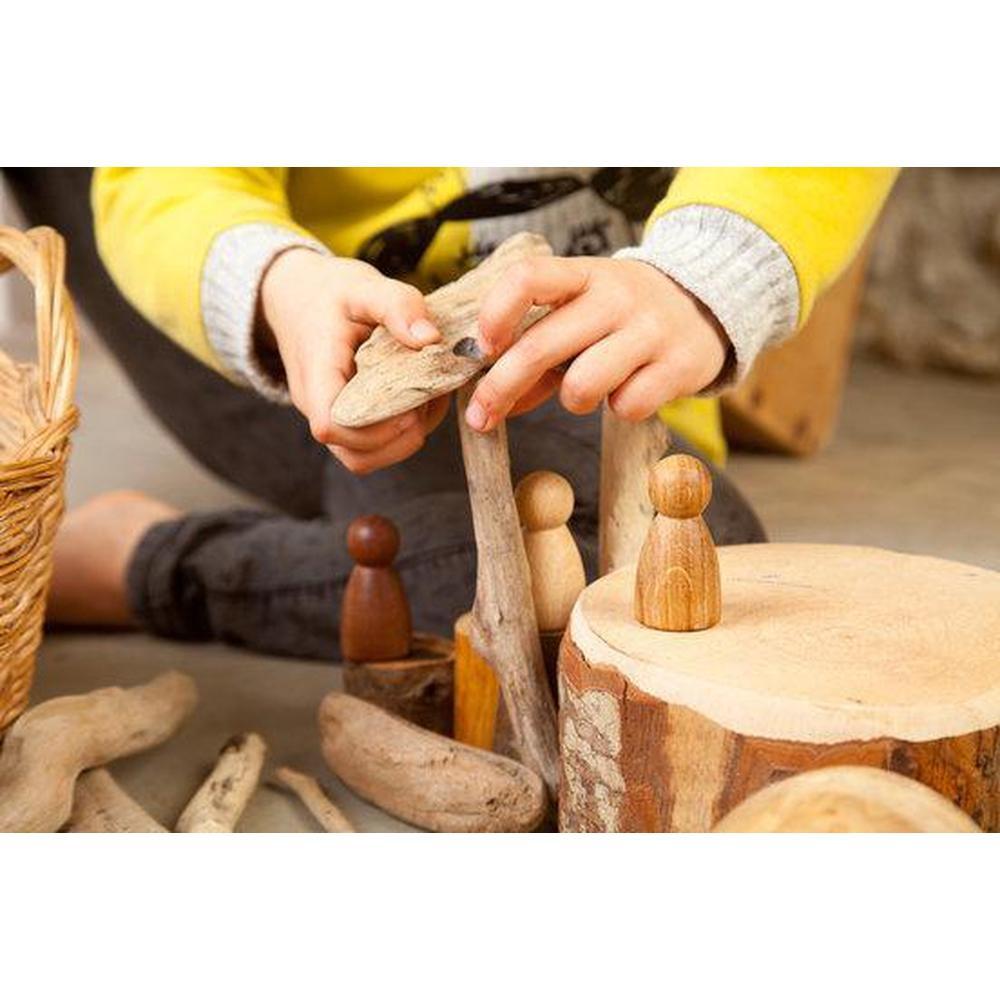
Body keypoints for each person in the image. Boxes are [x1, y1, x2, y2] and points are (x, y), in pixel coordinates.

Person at [6, 167, 897, 658]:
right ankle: (201, 559)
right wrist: (275, 282)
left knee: (663, 595)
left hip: (594, 376)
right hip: (288, 336)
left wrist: (706, 275)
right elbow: (163, 178)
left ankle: (144, 559)